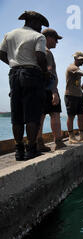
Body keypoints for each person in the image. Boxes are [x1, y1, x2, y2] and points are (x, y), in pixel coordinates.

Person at [0, 11, 49, 160]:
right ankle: (31, 149)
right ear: (32, 22)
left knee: (17, 115)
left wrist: (15, 64)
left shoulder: (9, 34)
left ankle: (18, 150)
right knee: (32, 115)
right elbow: (40, 56)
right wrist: (45, 72)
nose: (41, 28)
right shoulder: (38, 36)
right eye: (39, 24)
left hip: (14, 75)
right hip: (32, 75)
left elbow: (1, 54)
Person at [36, 28, 66, 151]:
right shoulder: (47, 52)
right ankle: (58, 142)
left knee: (41, 116)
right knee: (55, 115)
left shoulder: (39, 51)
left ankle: (38, 143)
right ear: (47, 38)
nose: (57, 42)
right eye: (55, 39)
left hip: (40, 88)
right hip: (49, 88)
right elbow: (49, 73)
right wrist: (54, 91)